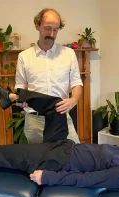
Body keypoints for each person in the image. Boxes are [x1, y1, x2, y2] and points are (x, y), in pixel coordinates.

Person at [0, 77, 119, 190]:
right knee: (58, 104)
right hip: (64, 145)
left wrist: (49, 177)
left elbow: (87, 180)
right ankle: (10, 97)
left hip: (55, 160)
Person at [15, 8, 83, 144]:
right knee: (38, 162)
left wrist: (74, 99)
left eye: (56, 29)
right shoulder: (24, 56)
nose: (51, 34)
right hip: (35, 121)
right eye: (47, 28)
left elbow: (76, 83)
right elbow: (20, 86)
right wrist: (20, 99)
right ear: (37, 25)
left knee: (74, 156)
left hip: (62, 117)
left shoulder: (69, 54)